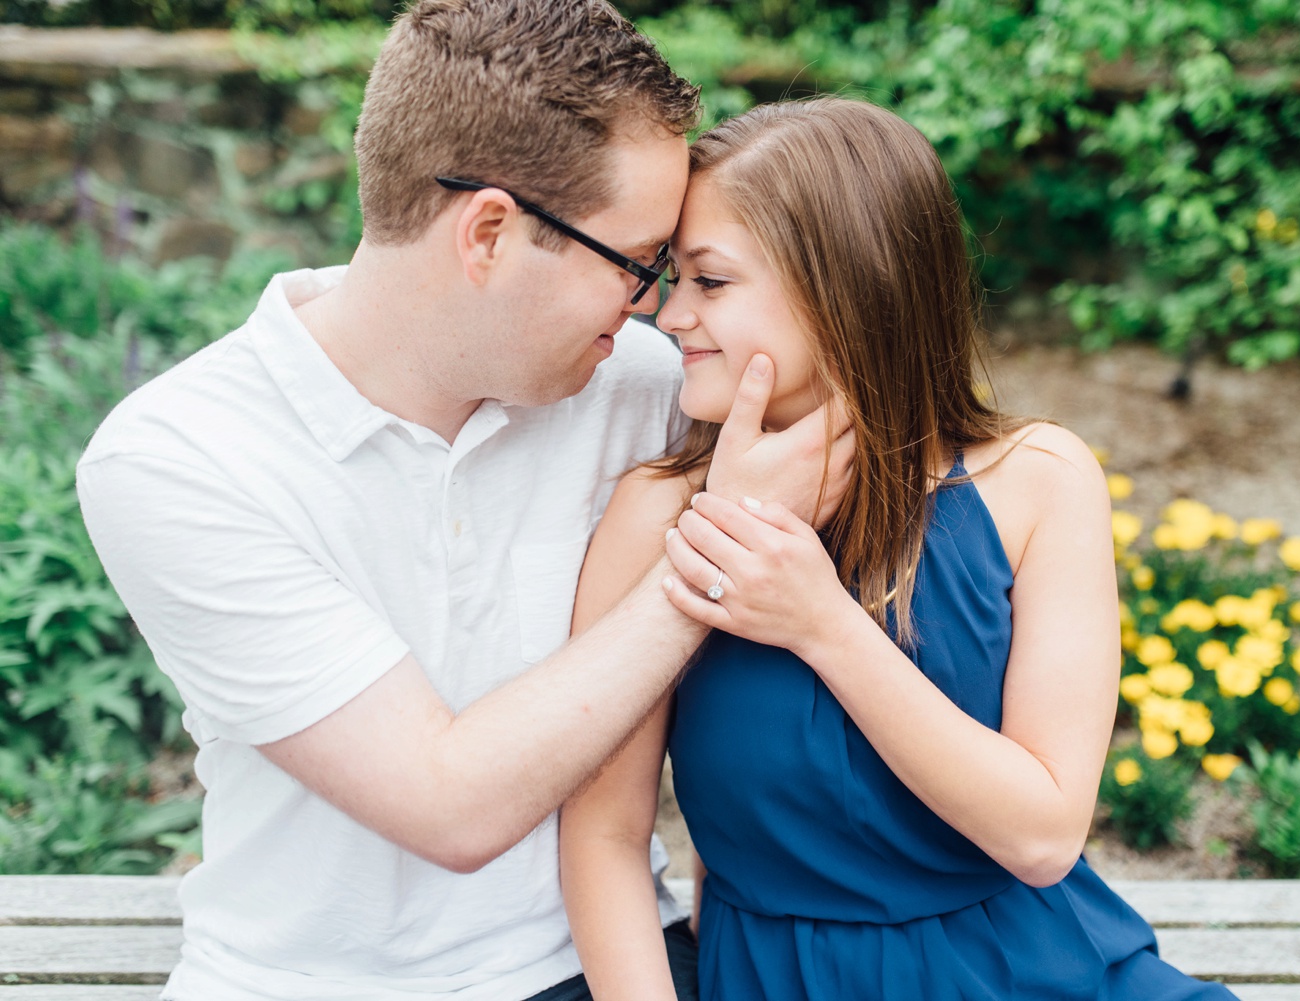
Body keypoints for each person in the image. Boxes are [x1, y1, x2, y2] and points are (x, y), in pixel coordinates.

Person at [76, 3, 850, 999]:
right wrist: (711, 553)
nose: (656, 302)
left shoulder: (648, 385)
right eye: (638, 262)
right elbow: (448, 806)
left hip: (601, 957)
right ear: (487, 232)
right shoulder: (180, 456)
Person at [559, 97, 1238, 1000]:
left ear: (846, 289)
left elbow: (1041, 836)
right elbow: (602, 838)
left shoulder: (1038, 481)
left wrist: (820, 622)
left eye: (710, 282)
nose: (670, 315)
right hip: (782, 976)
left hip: (1035, 967)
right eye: (670, 277)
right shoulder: (657, 512)